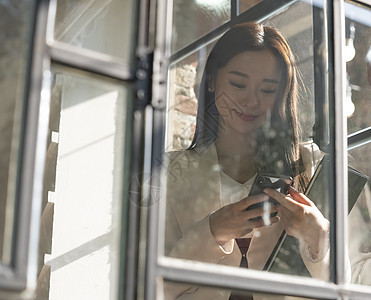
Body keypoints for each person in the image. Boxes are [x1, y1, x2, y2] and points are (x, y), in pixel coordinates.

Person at [164, 22, 331, 300]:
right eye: (238, 84)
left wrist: (319, 238)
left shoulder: (310, 164)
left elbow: (351, 284)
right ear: (210, 81)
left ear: (281, 95)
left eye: (267, 90)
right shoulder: (169, 173)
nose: (251, 101)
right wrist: (210, 233)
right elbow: (149, 286)